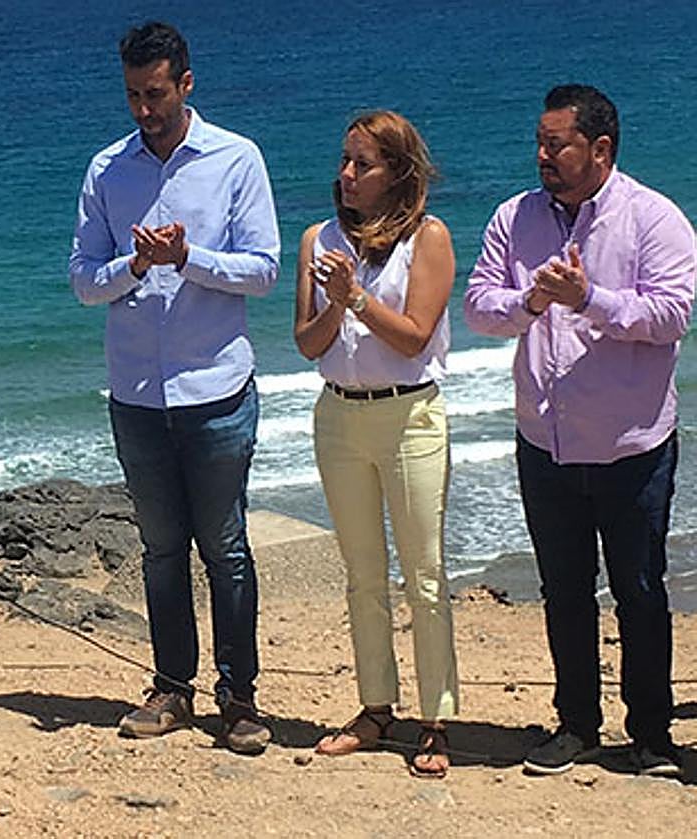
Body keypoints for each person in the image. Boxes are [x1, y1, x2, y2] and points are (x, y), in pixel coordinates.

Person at [464, 85, 696, 778]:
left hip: (631, 446)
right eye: (539, 143)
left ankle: (650, 734)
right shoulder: (514, 217)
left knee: (641, 591)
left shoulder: (653, 218)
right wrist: (533, 299)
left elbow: (672, 315)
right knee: (563, 590)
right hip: (546, 443)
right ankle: (577, 726)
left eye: (556, 145)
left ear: (599, 148)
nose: (542, 156)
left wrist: (589, 298)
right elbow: (479, 308)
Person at [69, 20, 280, 755]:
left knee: (225, 548)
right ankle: (172, 687)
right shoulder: (107, 170)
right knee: (161, 550)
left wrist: (189, 259)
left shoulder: (235, 158)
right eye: (133, 94)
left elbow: (263, 269)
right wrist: (132, 266)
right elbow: (82, 280)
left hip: (216, 388)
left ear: (185, 84)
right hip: (136, 393)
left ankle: (240, 696)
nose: (144, 109)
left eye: (155, 94)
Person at [293, 110, 459, 777]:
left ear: (398, 171)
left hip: (408, 416)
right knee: (362, 574)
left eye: (362, 164)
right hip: (340, 416)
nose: (347, 174)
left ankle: (436, 720)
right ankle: (375, 707)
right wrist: (336, 302)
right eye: (344, 160)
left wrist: (356, 297)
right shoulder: (319, 238)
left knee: (425, 574)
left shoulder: (428, 237)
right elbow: (307, 342)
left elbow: (415, 336)